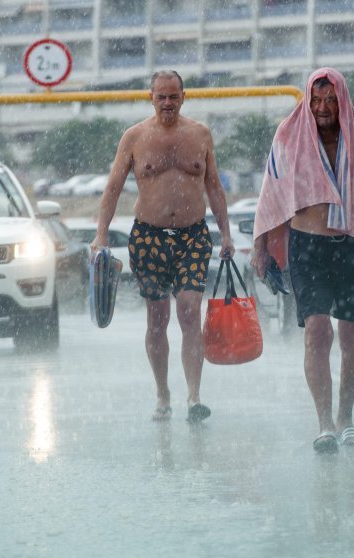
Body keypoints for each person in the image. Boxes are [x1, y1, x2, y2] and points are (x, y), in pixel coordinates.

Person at [251, 68, 354, 453]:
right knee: (317, 331)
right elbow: (271, 193)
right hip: (308, 249)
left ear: (342, 101)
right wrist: (260, 246)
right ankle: (324, 422)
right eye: (316, 101)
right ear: (307, 100)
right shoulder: (289, 136)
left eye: (330, 101)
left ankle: (346, 417)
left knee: (353, 335)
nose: (322, 108)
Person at [92, 70, 234, 424]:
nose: (167, 103)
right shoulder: (135, 136)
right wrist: (101, 234)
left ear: (184, 97)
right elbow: (112, 188)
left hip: (193, 236)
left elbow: (214, 186)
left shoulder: (200, 133)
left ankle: (194, 396)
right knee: (157, 319)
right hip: (149, 236)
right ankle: (163, 393)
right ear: (150, 98)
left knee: (189, 311)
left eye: (173, 96)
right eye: (161, 97)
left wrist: (227, 234)